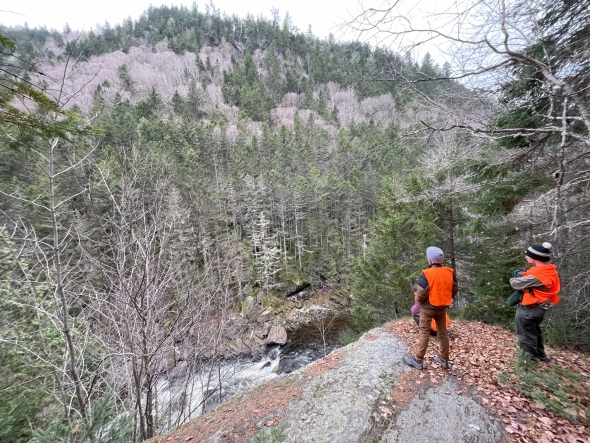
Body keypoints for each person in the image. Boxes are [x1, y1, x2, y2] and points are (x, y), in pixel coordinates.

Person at [404, 247, 458, 370]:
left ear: (430, 259)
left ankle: (418, 360)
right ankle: (444, 360)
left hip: (428, 309)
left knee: (424, 333)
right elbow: (454, 290)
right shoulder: (449, 272)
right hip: (442, 308)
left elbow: (421, 294)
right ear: (441, 259)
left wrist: (421, 301)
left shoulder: (426, 274)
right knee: (443, 333)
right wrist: (444, 298)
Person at [509, 242, 560, 363]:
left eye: (528, 254)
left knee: (526, 336)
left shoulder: (537, 276)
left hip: (529, 309)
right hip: (538, 308)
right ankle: (541, 357)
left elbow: (514, 283)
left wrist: (517, 276)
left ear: (535, 257)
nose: (526, 256)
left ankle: (529, 363)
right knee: (535, 333)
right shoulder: (549, 271)